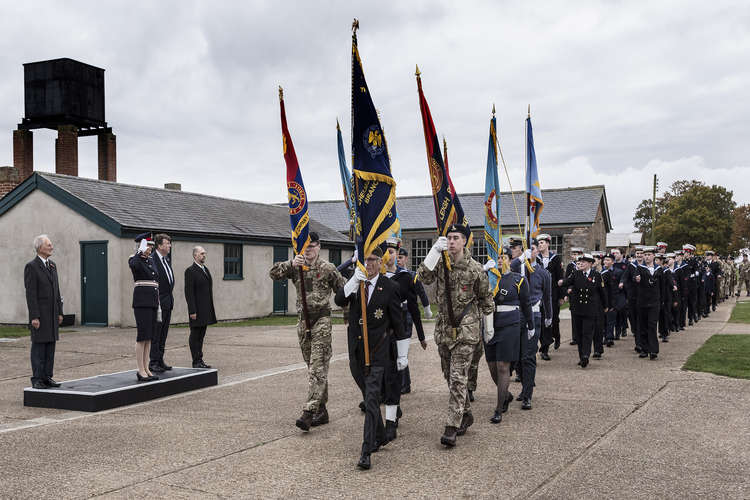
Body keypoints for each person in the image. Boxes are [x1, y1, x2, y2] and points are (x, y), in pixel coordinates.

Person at [417, 224, 494, 447]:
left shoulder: (475, 269)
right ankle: (466, 414)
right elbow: (423, 277)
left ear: (464, 242)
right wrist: (432, 252)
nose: (451, 242)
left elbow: (486, 300)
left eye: (455, 238)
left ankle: (451, 426)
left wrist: (488, 327)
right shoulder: (441, 264)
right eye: (448, 238)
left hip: (466, 331)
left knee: (459, 378)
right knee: (449, 377)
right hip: (444, 330)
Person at [334, 247, 405, 470]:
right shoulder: (357, 283)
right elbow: (338, 301)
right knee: (368, 394)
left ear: (381, 262)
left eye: (373, 260)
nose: (370, 264)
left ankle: (366, 451)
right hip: (356, 350)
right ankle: (382, 434)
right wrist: (354, 280)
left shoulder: (390, 287)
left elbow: (398, 324)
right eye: (366, 260)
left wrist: (402, 354)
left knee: (372, 399)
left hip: (378, 351)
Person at [270, 232, 345, 431]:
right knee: (312, 367)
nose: (309, 250)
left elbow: (343, 291)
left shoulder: (327, 268)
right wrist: (291, 264)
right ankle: (322, 409)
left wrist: (350, 314)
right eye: (306, 246)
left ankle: (309, 412)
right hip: (303, 324)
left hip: (321, 320)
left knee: (317, 368)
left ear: (319, 247)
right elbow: (273, 273)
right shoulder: (297, 266)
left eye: (312, 246)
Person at [483, 249, 533, 423]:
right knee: (491, 366)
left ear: (511, 260)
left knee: (503, 366)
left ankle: (499, 408)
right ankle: (506, 394)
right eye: (497, 257)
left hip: (510, 324)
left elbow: (526, 304)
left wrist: (531, 325)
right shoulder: (488, 278)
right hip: (490, 324)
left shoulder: (518, 280)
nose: (500, 260)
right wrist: (482, 272)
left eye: (503, 257)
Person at [382, 238, 428, 396]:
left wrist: (421, 336)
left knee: (400, 354)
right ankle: (386, 389)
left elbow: (414, 306)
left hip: (402, 319)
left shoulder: (405, 276)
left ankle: (402, 384)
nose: (388, 256)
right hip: (382, 323)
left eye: (391, 252)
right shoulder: (376, 276)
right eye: (385, 252)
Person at [511, 241, 551, 409]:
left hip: (533, 315)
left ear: (537, 252)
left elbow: (547, 296)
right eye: (528, 249)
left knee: (528, 356)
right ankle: (524, 387)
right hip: (516, 315)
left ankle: (528, 395)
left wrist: (549, 315)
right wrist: (522, 258)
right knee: (516, 357)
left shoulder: (543, 273)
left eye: (532, 249)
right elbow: (512, 264)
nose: (530, 251)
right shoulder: (518, 267)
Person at [24, 234, 64, 389]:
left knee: (50, 347)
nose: (51, 247)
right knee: (39, 348)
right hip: (40, 315)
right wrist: (34, 316)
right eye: (48, 245)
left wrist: (60, 312)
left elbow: (57, 290)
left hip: (52, 314)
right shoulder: (32, 267)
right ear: (40, 247)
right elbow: (31, 293)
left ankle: (47, 377)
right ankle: (37, 379)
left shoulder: (52, 265)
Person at [562, 253, 607, 368]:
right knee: (579, 334)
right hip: (578, 309)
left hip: (590, 309)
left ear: (590, 264)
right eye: (580, 262)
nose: (581, 263)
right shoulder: (576, 274)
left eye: (584, 262)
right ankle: (581, 355)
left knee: (587, 333)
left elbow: (602, 292)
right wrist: (561, 282)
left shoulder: (596, 275)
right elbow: (567, 282)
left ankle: (586, 355)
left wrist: (605, 305)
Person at [128, 233, 159, 382]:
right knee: (142, 336)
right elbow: (134, 265)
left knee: (149, 337)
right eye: (147, 246)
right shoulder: (135, 259)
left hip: (152, 301)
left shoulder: (150, 261)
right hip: (142, 302)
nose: (150, 250)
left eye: (151, 247)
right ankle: (140, 370)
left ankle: (146, 367)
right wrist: (138, 252)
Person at [184, 246, 217, 368]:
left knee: (202, 335)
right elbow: (189, 293)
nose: (204, 255)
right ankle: (195, 361)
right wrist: (192, 310)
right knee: (195, 335)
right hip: (196, 310)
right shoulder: (190, 271)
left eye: (205, 253)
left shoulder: (205, 270)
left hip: (205, 309)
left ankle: (200, 359)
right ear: (195, 255)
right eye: (202, 253)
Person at [632, 246, 664, 360]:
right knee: (643, 326)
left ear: (653, 256)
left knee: (652, 325)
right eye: (645, 255)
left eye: (649, 255)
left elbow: (662, 286)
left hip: (654, 302)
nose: (646, 257)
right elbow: (634, 279)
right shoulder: (639, 268)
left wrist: (662, 301)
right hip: (642, 302)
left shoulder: (659, 269)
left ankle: (653, 350)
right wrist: (637, 280)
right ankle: (644, 349)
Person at [150, 233, 175, 373]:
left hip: (168, 302)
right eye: (167, 243)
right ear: (159, 245)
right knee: (156, 334)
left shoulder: (166, 260)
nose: (169, 245)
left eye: (169, 243)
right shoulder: (153, 259)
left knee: (164, 334)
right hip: (158, 303)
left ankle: (160, 360)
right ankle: (153, 362)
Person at [537, 234, 563, 360]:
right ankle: (545, 346)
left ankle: (555, 338)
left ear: (548, 244)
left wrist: (562, 296)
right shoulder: (536, 259)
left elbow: (560, 278)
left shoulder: (555, 259)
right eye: (539, 243)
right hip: (539, 295)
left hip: (552, 295)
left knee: (552, 320)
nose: (540, 245)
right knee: (541, 321)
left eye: (542, 242)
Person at [563, 247, 584, 345]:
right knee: (574, 316)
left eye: (578, 254)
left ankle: (584, 336)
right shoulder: (570, 266)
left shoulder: (584, 265)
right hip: (573, 293)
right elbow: (567, 279)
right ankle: (575, 338)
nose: (576, 256)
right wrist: (567, 293)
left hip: (584, 293)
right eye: (574, 254)